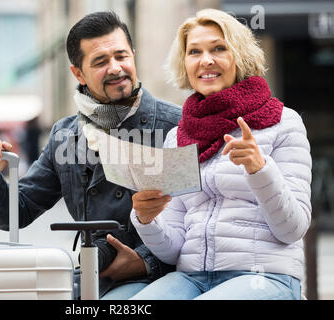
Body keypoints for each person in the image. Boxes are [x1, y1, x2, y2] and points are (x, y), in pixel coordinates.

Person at [0, 11, 181, 299]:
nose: (116, 68)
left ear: (134, 54)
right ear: (78, 73)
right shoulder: (64, 135)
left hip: (162, 281)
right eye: (100, 62)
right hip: (89, 279)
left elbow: (199, 218)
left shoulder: (175, 124)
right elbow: (17, 212)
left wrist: (146, 262)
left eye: (121, 56)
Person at [129, 8, 311, 300]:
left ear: (239, 56)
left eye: (218, 48)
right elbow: (174, 247)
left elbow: (293, 228)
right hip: (192, 276)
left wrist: (260, 170)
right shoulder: (179, 136)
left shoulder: (282, 122)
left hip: (264, 275)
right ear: (184, 63)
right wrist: (147, 220)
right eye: (194, 52)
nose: (206, 60)